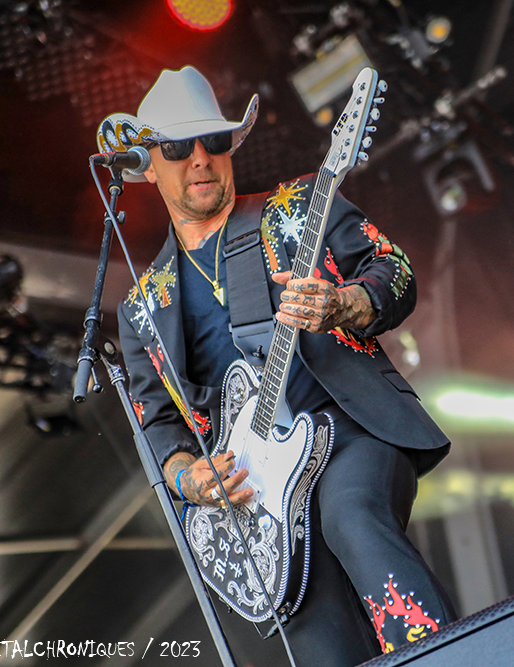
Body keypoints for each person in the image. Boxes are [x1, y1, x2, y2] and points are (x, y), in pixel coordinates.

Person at [111, 66, 456, 666]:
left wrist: (345, 303)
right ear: (148, 167)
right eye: (178, 149)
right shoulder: (143, 308)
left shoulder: (297, 209)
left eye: (213, 140)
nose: (200, 159)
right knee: (316, 634)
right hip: (262, 494)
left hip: (349, 432)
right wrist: (190, 478)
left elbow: (393, 269)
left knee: (351, 516)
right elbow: (157, 422)